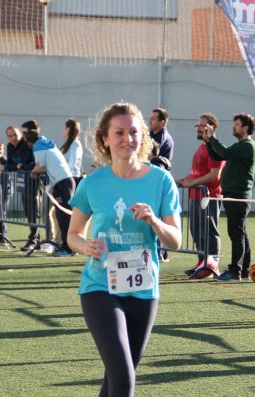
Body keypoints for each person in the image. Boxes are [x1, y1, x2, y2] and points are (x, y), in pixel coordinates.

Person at [67, 102, 181, 397]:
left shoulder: (161, 181)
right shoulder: (92, 183)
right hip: (100, 287)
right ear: (105, 138)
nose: (127, 139)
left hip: (143, 288)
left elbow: (175, 241)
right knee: (124, 379)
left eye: (134, 132)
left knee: (117, 378)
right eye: (119, 132)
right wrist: (85, 245)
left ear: (143, 136)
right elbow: (73, 234)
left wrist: (154, 221)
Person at [205, 113, 255, 282]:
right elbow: (218, 155)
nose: (234, 127)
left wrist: (213, 139)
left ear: (245, 128)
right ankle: (244, 270)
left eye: (237, 124)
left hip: (238, 196)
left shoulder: (247, 146)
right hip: (233, 195)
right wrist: (208, 141)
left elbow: (224, 152)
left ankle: (235, 271)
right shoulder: (240, 147)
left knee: (236, 235)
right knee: (241, 234)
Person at [178, 113, 225, 279]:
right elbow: (196, 172)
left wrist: (193, 182)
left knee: (209, 231)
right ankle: (202, 264)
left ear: (211, 127)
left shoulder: (215, 149)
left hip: (209, 196)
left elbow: (215, 175)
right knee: (197, 231)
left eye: (202, 125)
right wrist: (184, 180)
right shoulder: (201, 147)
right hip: (196, 195)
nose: (198, 128)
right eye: (197, 125)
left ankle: (212, 266)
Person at [23, 129, 76, 257]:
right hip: (62, 182)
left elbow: (40, 167)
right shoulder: (45, 143)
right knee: (60, 215)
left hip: (62, 183)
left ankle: (69, 248)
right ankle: (66, 245)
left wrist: (32, 171)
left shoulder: (38, 146)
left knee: (64, 215)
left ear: (29, 142)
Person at [5, 125, 37, 250]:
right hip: (20, 180)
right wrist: (18, 166)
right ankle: (34, 237)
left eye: (15, 135)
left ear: (20, 134)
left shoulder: (26, 144)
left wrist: (20, 165)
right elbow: (9, 165)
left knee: (33, 210)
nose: (13, 138)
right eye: (10, 136)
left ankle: (34, 238)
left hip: (32, 180)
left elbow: (27, 162)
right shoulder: (9, 147)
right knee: (27, 210)